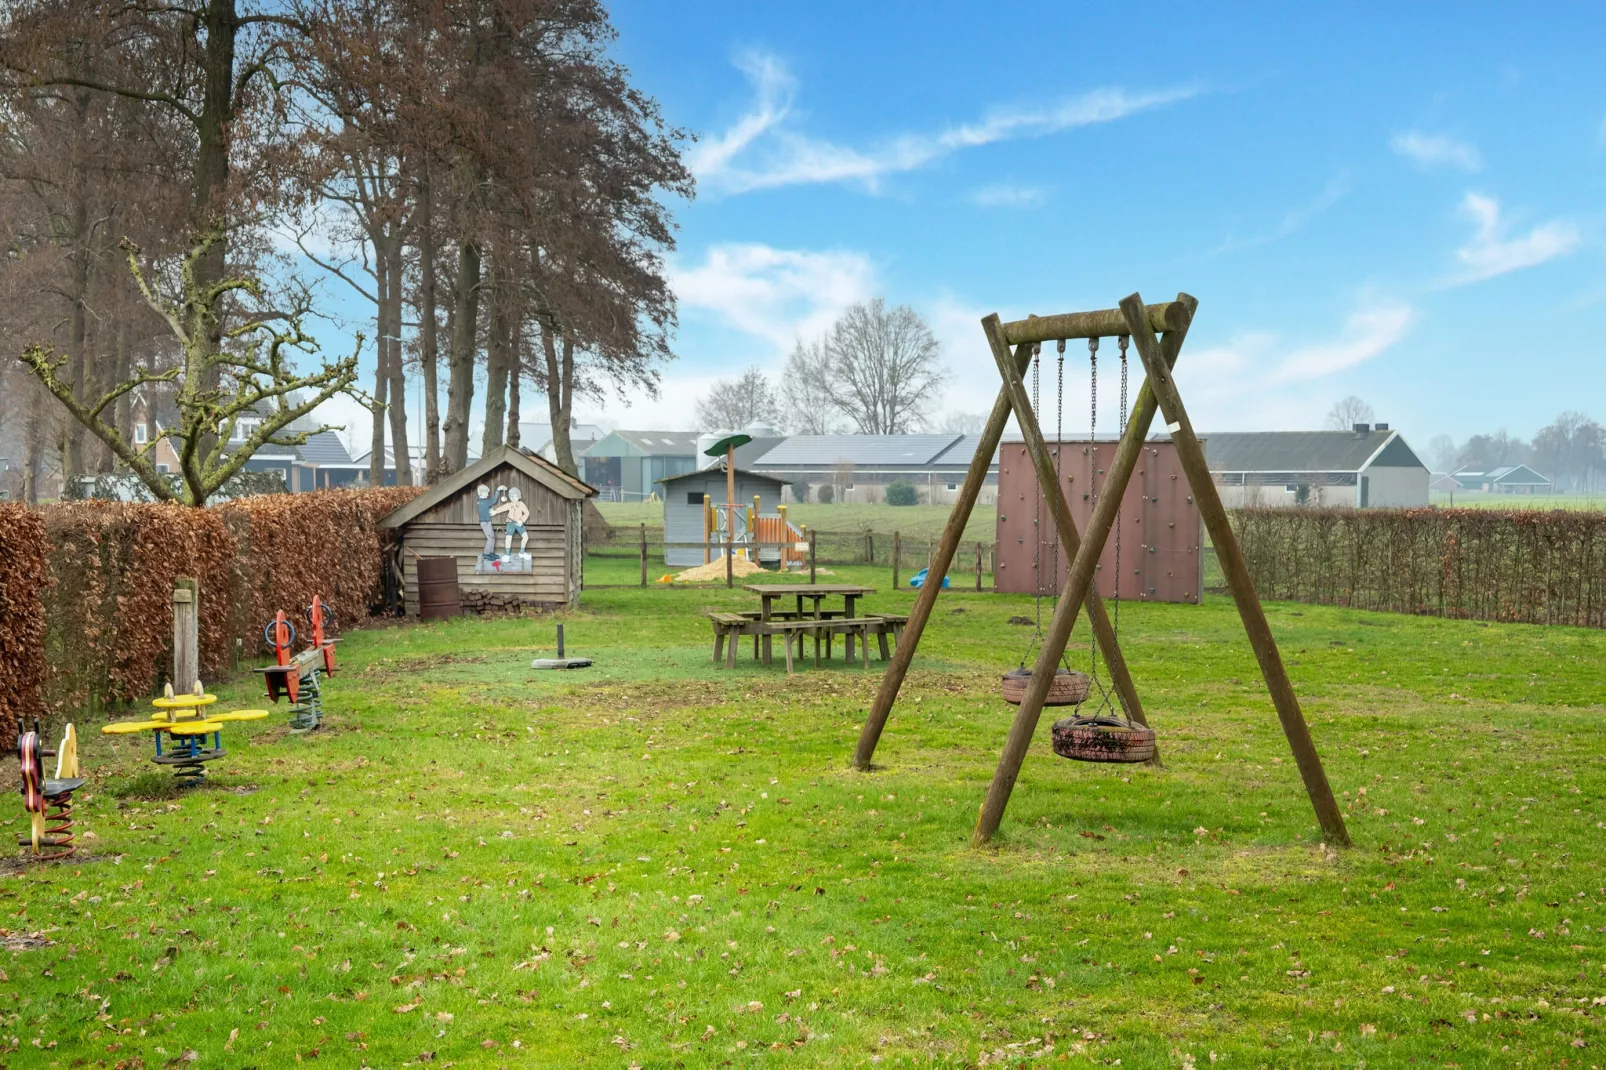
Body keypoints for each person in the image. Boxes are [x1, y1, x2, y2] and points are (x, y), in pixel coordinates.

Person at [492, 485, 530, 559]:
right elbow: (502, 508)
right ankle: (507, 555)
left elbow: (527, 512)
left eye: (515, 496)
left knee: (525, 537)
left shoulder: (521, 504)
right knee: (508, 538)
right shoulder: (509, 504)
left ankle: (521, 553)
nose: (513, 498)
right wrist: (495, 511)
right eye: (511, 496)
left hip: (519, 524)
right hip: (510, 524)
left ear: (519, 496)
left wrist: (521, 520)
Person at [476, 484, 497, 562]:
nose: (488, 495)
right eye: (486, 493)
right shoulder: (482, 502)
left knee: (493, 537)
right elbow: (494, 500)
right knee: (490, 538)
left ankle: (491, 552)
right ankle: (486, 553)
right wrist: (498, 490)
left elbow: (488, 507)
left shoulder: (481, 501)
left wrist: (490, 508)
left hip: (487, 522)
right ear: (481, 493)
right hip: (485, 522)